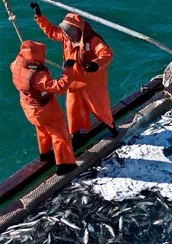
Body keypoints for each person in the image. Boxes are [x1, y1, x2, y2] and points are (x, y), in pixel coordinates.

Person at [30, 2, 118, 146]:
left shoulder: (93, 40)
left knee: (99, 108)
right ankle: (75, 135)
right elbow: (51, 30)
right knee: (73, 109)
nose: (66, 33)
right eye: (65, 30)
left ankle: (111, 127)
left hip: (92, 83)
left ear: (78, 30)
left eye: (69, 30)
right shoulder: (66, 37)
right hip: (73, 81)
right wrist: (39, 16)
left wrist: (96, 63)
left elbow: (106, 54)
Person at [10, 40, 77, 175]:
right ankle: (64, 164)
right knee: (59, 135)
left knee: (42, 131)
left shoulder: (16, 65)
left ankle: (45, 154)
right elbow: (60, 87)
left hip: (29, 107)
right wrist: (68, 69)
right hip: (45, 110)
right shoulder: (38, 76)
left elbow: (22, 57)